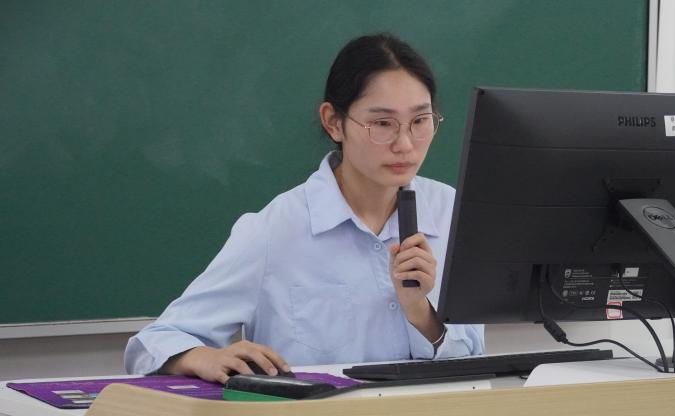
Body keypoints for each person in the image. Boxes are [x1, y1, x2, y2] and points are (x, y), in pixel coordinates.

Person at [124, 33, 484, 383]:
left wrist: (421, 315)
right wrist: (202, 356)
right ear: (333, 122)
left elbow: (476, 366)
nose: (405, 144)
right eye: (382, 124)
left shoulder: (452, 213)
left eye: (419, 121)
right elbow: (153, 343)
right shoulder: (275, 230)